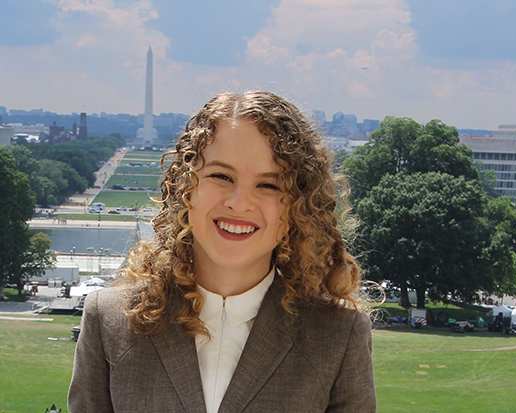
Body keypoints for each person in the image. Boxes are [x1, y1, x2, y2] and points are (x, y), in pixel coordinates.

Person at [68, 91, 376, 412]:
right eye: (221, 176)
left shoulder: (338, 336)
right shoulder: (110, 321)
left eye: (268, 184)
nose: (239, 202)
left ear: (298, 207)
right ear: (187, 187)